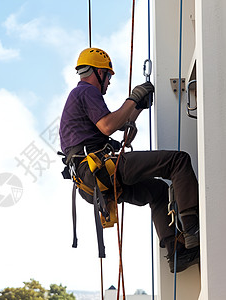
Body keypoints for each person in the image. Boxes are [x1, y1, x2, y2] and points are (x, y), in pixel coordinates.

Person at [59, 47, 200, 273]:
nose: (109, 82)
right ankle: (193, 232)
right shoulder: (86, 91)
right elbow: (108, 125)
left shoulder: (80, 97)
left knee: (158, 192)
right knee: (178, 161)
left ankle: (177, 253)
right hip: (98, 169)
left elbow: (121, 128)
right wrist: (132, 98)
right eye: (109, 76)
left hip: (91, 181)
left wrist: (138, 106)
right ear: (98, 72)